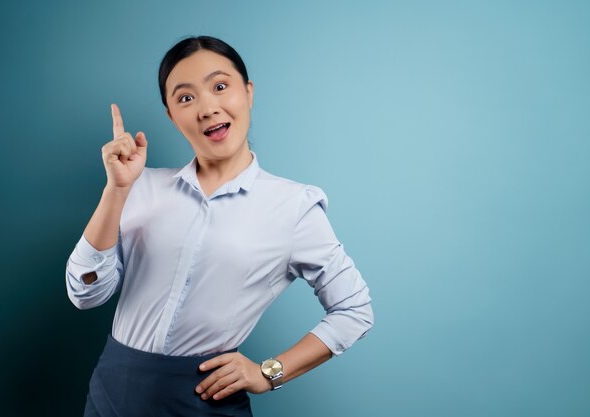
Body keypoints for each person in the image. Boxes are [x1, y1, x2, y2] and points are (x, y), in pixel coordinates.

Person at [65, 35, 374, 417]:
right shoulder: (140, 186)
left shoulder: (293, 207)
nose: (207, 108)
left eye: (220, 87)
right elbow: (85, 295)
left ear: (248, 93)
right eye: (186, 98)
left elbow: (354, 309)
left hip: (203, 402)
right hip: (112, 392)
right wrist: (116, 189)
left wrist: (268, 373)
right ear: (171, 116)